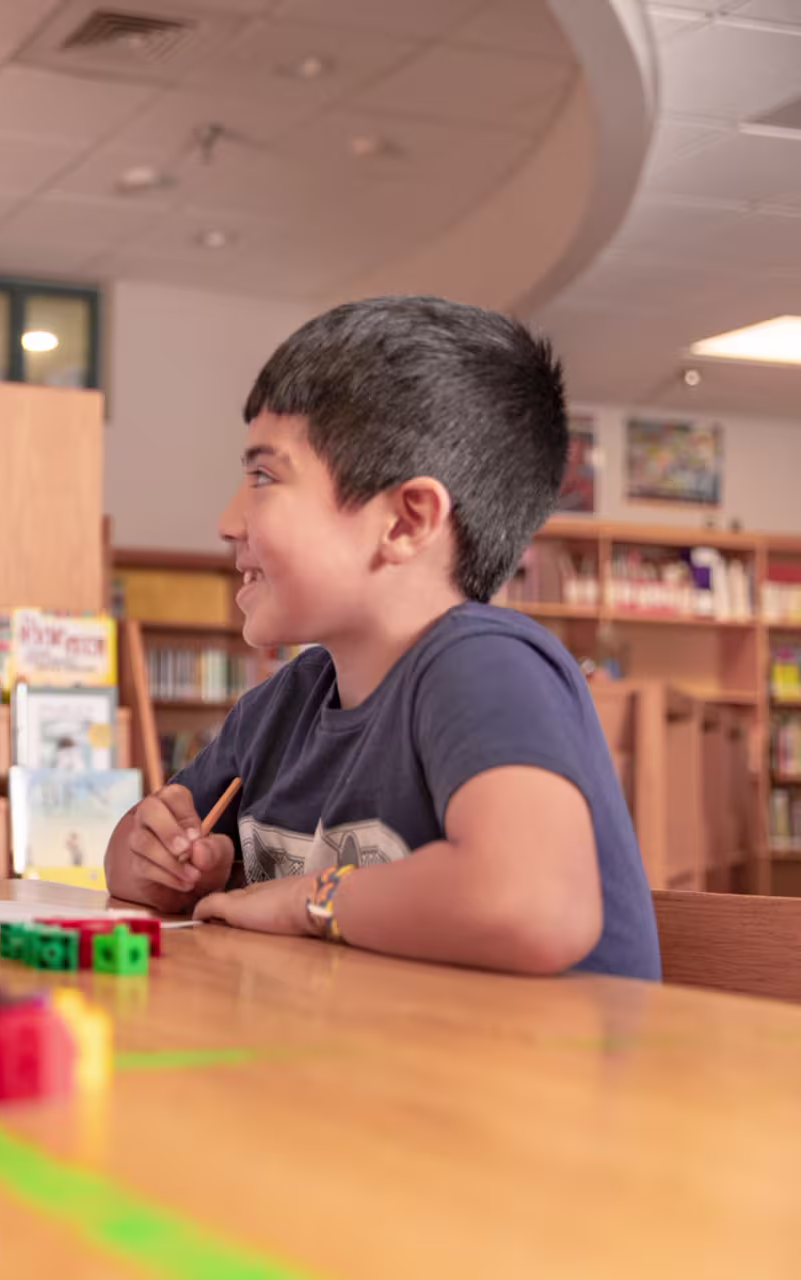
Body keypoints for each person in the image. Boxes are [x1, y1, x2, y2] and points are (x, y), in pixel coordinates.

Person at [105, 296, 660, 980]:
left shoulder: (483, 664)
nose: (227, 519)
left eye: (263, 477)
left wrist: (303, 902)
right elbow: (131, 868)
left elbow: (535, 904)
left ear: (405, 522)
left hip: (532, 1077)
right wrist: (156, 860)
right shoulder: (281, 706)